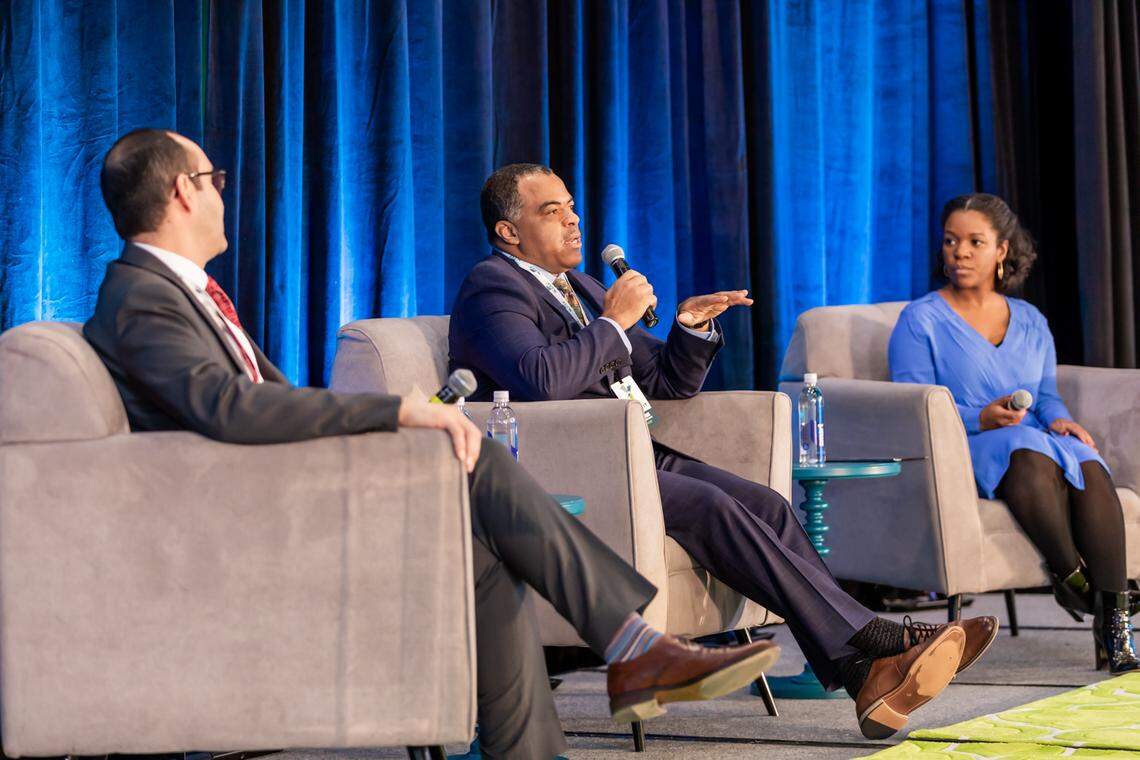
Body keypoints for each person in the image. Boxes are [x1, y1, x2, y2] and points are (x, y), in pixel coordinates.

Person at [83, 129, 785, 760]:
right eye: (215, 182)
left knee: (482, 542)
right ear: (183, 192)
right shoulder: (142, 298)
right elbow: (228, 407)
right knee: (470, 459)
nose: (222, 197)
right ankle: (633, 647)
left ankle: (588, 698)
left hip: (293, 492)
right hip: (248, 523)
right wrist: (393, 415)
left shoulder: (185, 294)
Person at [448, 163, 994, 739]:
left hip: (630, 454)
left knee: (767, 504)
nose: (573, 220)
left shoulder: (580, 288)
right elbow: (540, 380)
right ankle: (876, 641)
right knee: (713, 507)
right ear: (509, 232)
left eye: (571, 206)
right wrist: (612, 320)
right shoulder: (493, 286)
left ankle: (865, 675)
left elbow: (665, 381)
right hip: (569, 469)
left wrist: (689, 328)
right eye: (551, 211)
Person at [889, 192, 1139, 674]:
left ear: (1001, 250)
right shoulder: (920, 320)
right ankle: (1086, 590)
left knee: (1084, 457)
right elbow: (914, 404)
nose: (959, 252)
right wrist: (979, 417)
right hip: (971, 443)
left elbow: (1044, 395)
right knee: (1026, 451)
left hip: (1033, 437)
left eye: (974, 242)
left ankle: (1115, 632)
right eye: (950, 241)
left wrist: (1061, 418)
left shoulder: (1030, 320)